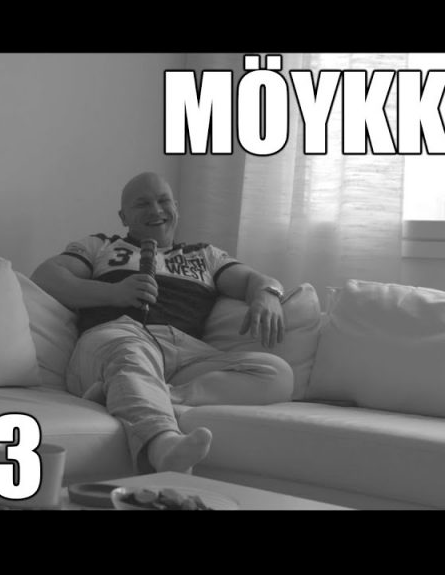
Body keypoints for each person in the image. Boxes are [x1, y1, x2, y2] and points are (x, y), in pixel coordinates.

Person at [31, 172, 292, 475]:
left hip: (185, 354)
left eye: (163, 200)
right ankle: (163, 445)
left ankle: (130, 391)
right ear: (123, 217)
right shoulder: (100, 246)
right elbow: (46, 276)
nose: (156, 210)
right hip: (117, 336)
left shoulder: (206, 255)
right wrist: (114, 293)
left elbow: (253, 280)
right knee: (130, 352)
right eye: (142, 204)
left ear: (176, 207)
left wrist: (268, 294)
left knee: (276, 373)